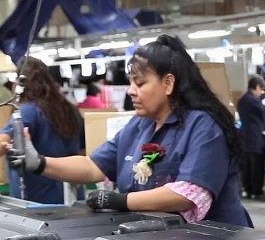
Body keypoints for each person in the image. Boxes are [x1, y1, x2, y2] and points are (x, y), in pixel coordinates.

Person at [5, 35, 252, 228]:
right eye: (131, 82)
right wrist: (39, 163)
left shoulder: (203, 126)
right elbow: (93, 166)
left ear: (168, 83)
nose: (131, 91)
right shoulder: (139, 125)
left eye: (140, 83)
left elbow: (188, 194)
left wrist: (121, 201)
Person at [0, 57, 83, 204]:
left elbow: (2, 142)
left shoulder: (26, 112)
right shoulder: (70, 109)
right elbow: (81, 149)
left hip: (38, 200)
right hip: (72, 193)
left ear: (21, 82)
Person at [237, 75, 265, 200]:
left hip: (244, 136)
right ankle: (256, 191)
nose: (261, 92)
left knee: (246, 166)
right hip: (255, 137)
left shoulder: (242, 99)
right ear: (257, 87)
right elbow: (264, 113)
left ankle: (247, 189)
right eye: (261, 89)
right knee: (256, 165)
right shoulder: (254, 100)